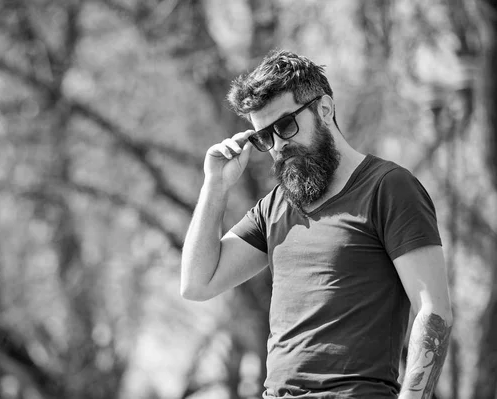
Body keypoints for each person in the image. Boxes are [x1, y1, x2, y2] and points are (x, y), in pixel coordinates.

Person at [180, 50, 452, 399]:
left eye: (285, 125)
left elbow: (434, 312)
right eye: (265, 137)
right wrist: (214, 186)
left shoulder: (388, 187)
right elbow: (197, 283)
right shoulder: (275, 207)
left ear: (324, 109)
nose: (278, 144)